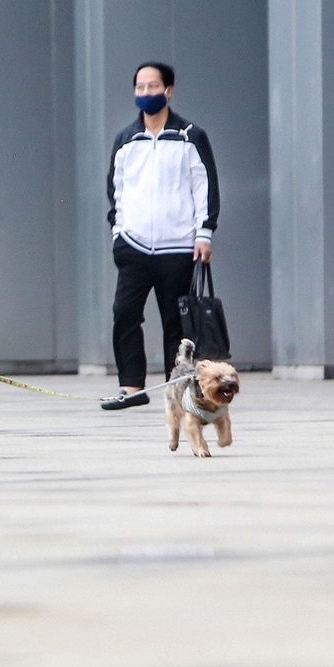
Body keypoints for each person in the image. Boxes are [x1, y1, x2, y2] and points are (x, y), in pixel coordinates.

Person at [101, 61, 219, 411]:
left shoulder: (190, 136)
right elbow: (116, 190)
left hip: (179, 247)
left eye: (153, 87)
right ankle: (131, 387)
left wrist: (205, 233)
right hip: (134, 246)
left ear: (168, 91)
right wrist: (118, 233)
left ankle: (180, 392)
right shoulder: (126, 139)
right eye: (140, 88)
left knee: (176, 323)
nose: (146, 94)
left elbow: (205, 186)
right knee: (124, 314)